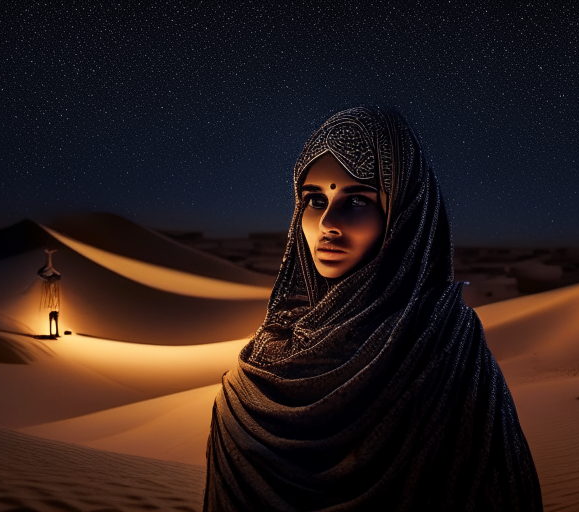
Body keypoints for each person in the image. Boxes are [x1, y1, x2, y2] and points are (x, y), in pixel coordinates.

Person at [203, 107, 542, 511]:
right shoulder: (259, 367)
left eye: (357, 201)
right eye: (314, 200)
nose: (329, 222)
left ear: (402, 217)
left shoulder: (447, 352)